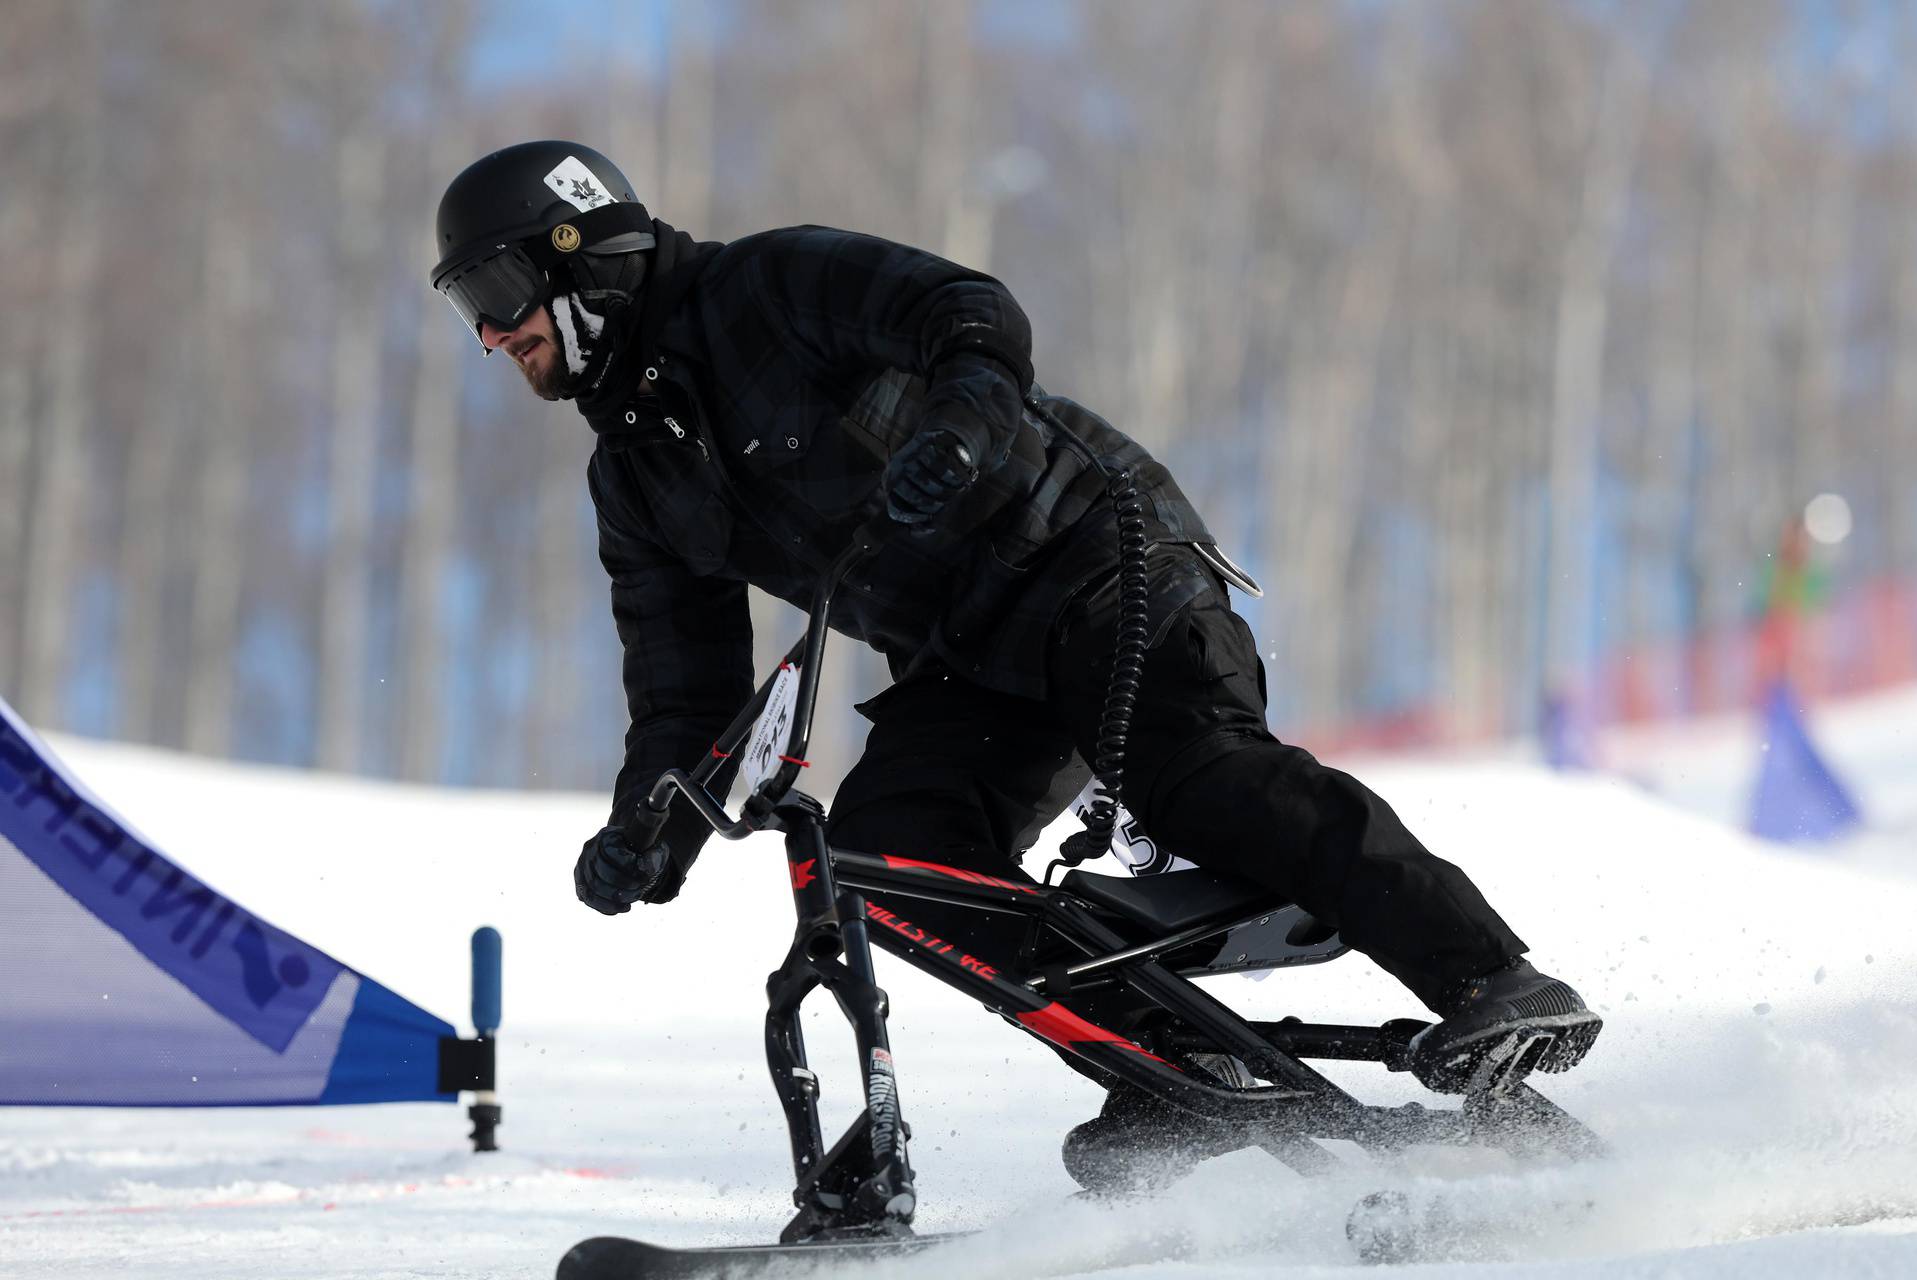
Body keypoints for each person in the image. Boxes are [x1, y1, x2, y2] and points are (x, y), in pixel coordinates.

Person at [429, 141, 1601, 1185]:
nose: (490, 334)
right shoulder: (635, 478)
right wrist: (651, 828)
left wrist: (968, 419)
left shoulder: (766, 286)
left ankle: (1492, 983)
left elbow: (965, 309)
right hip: (967, 655)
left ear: (580, 255)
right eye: (467, 310)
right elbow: (685, 692)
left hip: (1096, 555)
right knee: (890, 861)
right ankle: (1172, 1063)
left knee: (1184, 769)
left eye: (494, 292)